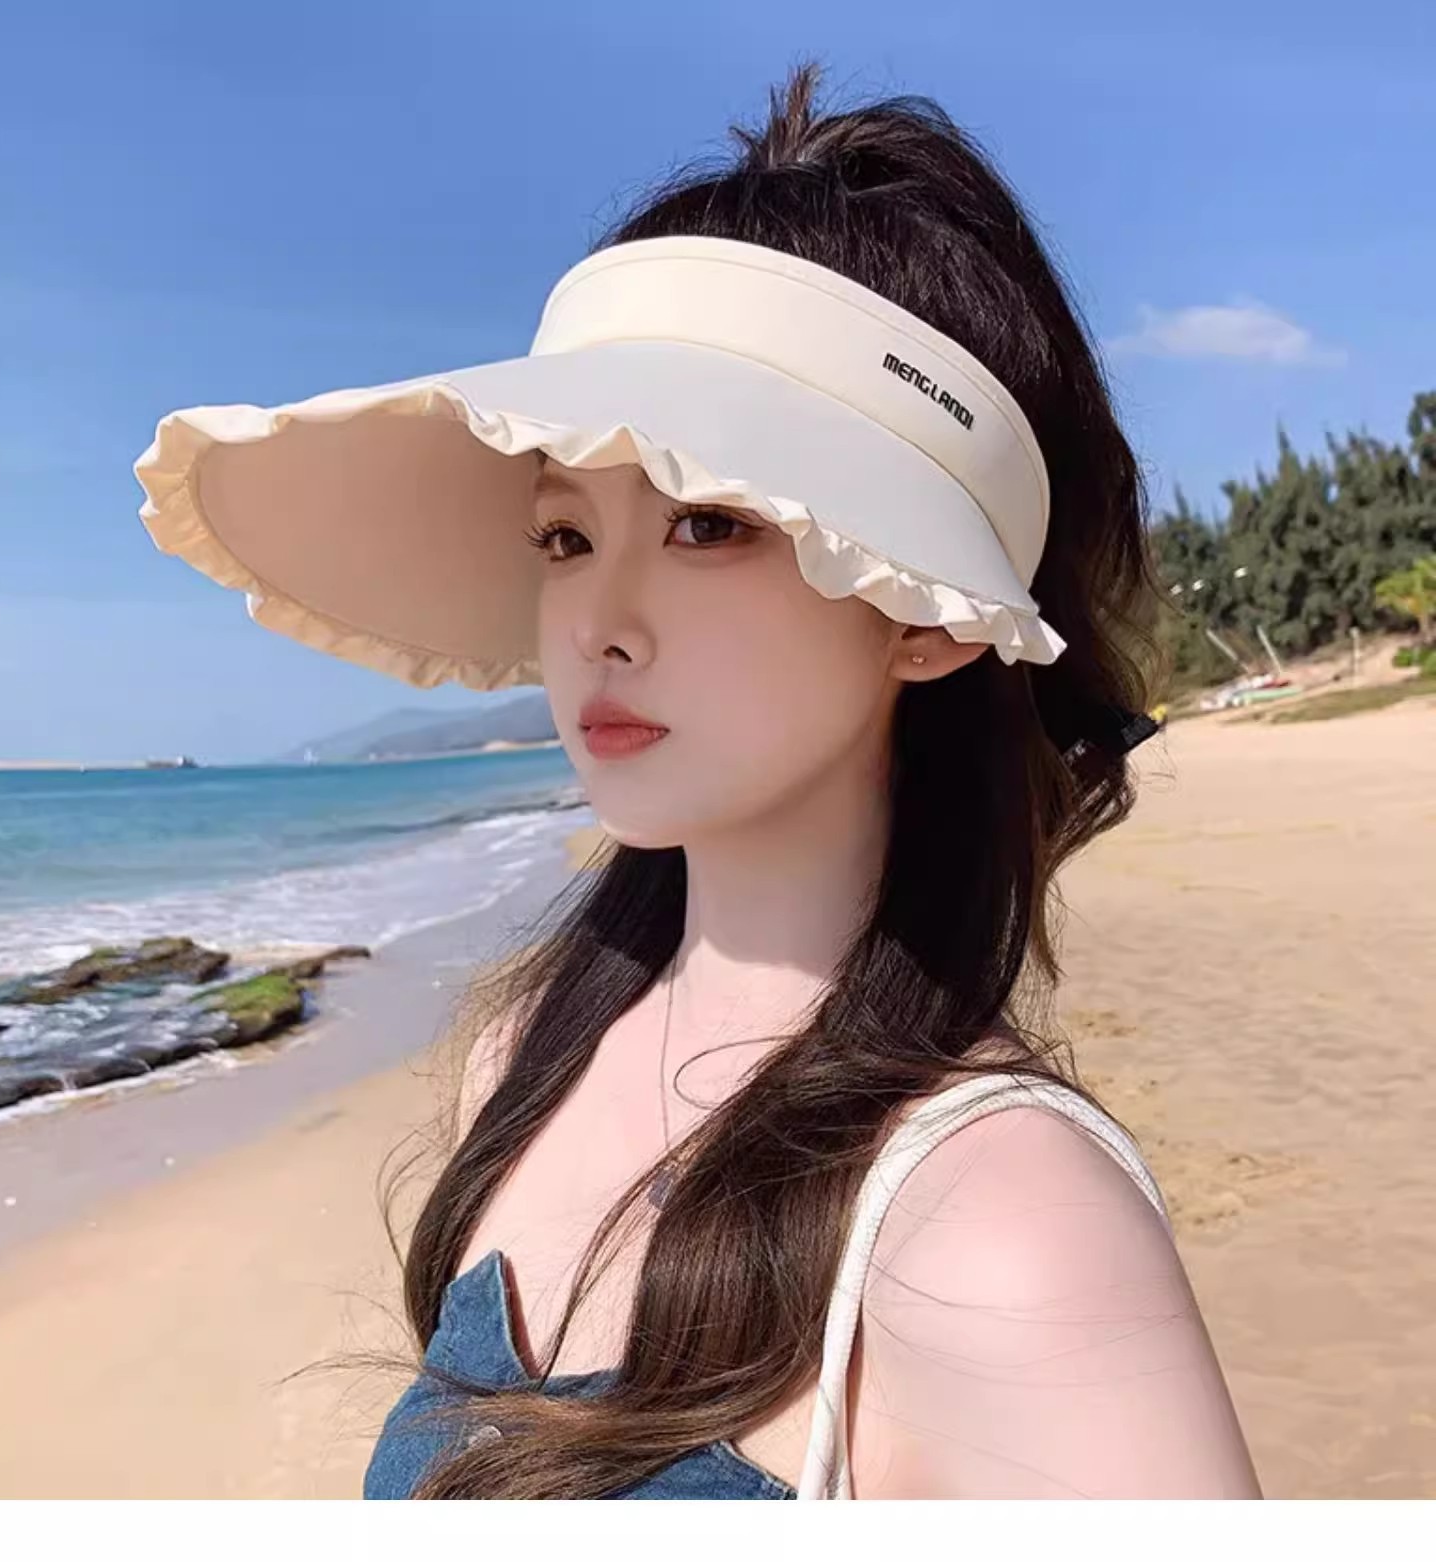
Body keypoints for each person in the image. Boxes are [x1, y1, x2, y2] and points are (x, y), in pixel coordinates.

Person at [134, 65, 1262, 1500]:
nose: (598, 624)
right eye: (564, 538)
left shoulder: (996, 1233)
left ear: (923, 612)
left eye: (709, 523)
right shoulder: (521, 1060)